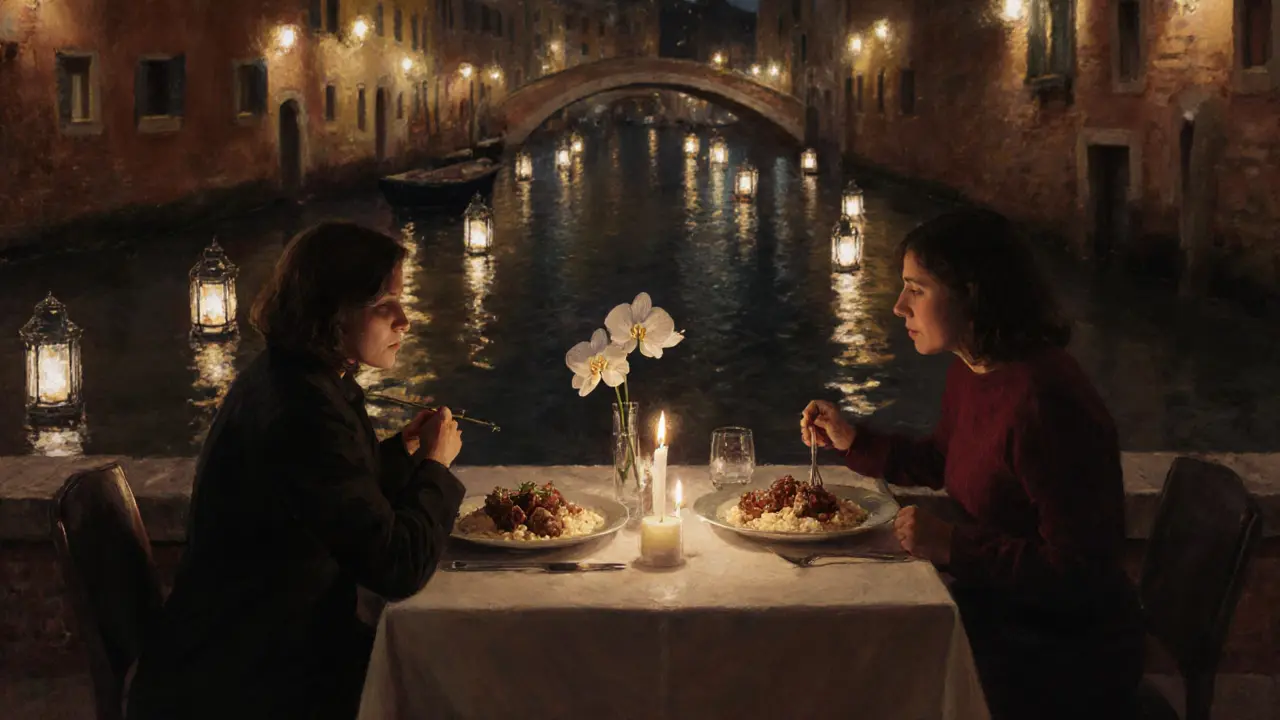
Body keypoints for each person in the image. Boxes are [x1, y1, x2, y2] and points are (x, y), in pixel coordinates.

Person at [801, 209, 1143, 720]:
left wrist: (952, 545)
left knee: (868, 663)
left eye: (916, 289)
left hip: (1062, 651)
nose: (898, 307)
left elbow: (1082, 572)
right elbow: (945, 457)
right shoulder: (976, 369)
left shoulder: (1044, 400)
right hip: (1004, 607)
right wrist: (852, 440)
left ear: (971, 292)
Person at [128, 223, 466, 720]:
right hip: (251, 679)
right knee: (448, 682)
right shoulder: (304, 410)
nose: (405, 321)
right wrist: (436, 466)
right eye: (383, 305)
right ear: (333, 314)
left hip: (251, 644)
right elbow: (397, 567)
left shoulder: (296, 377)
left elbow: (336, 493)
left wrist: (405, 449)